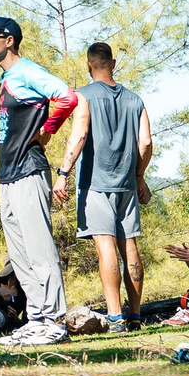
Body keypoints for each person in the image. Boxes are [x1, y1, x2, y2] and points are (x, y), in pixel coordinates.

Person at [0, 15, 76, 326]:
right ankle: (38, 319)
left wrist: (46, 132)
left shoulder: (28, 71)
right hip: (8, 175)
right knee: (19, 254)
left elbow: (67, 97)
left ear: (10, 40)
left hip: (29, 170)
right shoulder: (8, 78)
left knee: (39, 249)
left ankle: (54, 321)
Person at [52, 42, 153, 326]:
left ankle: (115, 316)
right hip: (127, 184)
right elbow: (145, 142)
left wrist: (63, 173)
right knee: (129, 246)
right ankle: (135, 315)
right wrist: (139, 175)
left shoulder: (83, 96)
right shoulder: (135, 100)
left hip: (95, 183)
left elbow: (79, 135)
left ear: (88, 65)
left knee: (105, 247)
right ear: (114, 63)